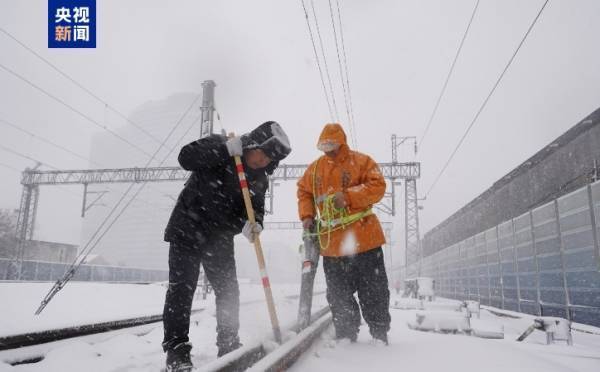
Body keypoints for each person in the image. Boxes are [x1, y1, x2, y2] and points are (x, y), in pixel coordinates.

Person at [162, 121, 291, 371]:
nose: (263, 162)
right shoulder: (222, 144)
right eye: (261, 154)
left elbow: (256, 211)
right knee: (181, 290)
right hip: (187, 228)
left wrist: (255, 224)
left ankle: (229, 343)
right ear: (251, 144)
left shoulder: (259, 179)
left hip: (219, 237)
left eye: (268, 160)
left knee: (229, 291)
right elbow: (186, 158)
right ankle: (176, 350)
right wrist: (223, 151)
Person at [297, 123, 391, 344]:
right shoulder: (314, 170)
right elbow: (304, 193)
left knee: (374, 292)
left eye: (332, 146)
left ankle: (379, 335)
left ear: (342, 143)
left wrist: (348, 196)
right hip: (332, 247)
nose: (328, 151)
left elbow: (378, 186)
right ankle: (346, 337)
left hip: (365, 242)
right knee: (339, 296)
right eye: (324, 146)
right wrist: (307, 216)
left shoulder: (362, 162)